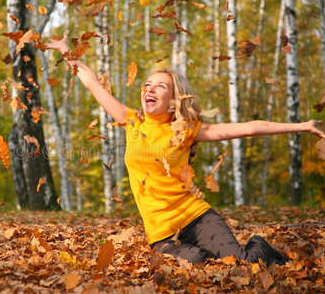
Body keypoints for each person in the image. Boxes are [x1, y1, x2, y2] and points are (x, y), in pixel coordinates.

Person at [47, 33, 325, 265]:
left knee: (240, 265)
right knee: (197, 265)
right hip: (161, 234)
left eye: (160, 86)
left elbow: (250, 127)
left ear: (173, 98)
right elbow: (92, 82)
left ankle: (260, 247)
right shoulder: (131, 121)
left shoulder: (187, 130)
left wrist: (303, 125)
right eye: (147, 85)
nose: (149, 89)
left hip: (196, 217)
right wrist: (66, 51)